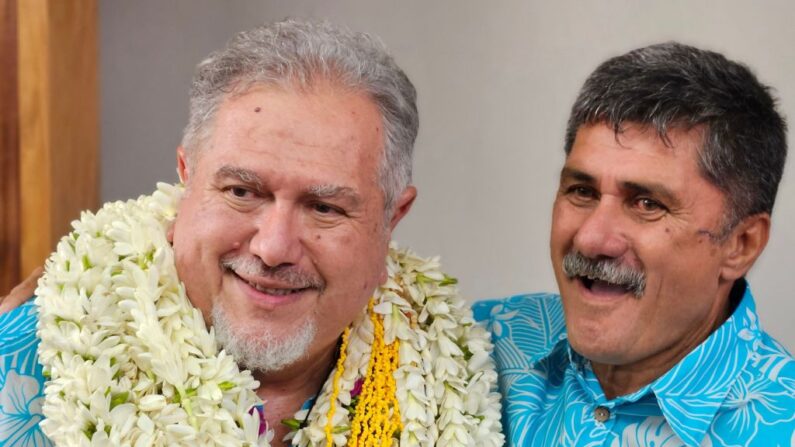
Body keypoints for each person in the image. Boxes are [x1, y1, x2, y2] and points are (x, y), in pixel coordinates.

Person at [0, 20, 503, 446]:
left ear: (394, 215)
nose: (273, 247)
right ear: (186, 175)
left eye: (324, 207)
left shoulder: (488, 372)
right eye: (242, 192)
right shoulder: (19, 366)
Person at [474, 42, 795, 446]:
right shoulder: (473, 345)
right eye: (582, 191)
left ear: (741, 244)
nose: (591, 238)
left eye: (647, 204)